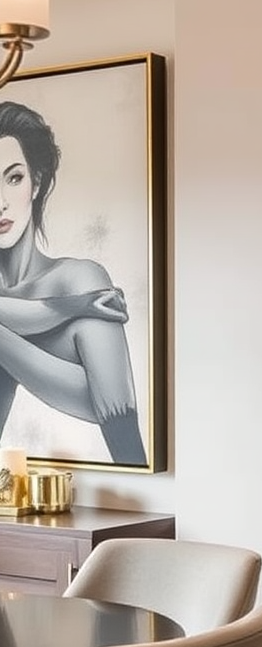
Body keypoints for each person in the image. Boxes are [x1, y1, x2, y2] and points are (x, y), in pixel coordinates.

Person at [0, 100, 147, 467]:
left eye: (13, 177)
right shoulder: (83, 297)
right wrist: (77, 305)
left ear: (35, 183)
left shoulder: (80, 278)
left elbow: (111, 414)